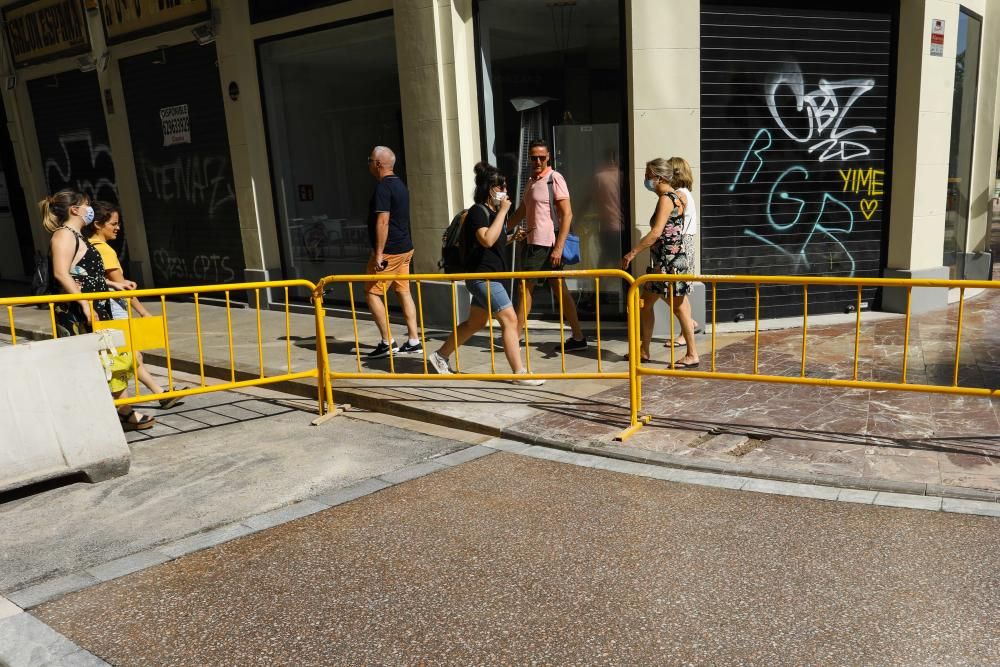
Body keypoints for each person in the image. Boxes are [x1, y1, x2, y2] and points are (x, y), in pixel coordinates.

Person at [41, 190, 155, 430]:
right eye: (86, 205)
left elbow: (84, 274)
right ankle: (122, 413)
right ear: (75, 210)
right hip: (79, 312)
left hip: (93, 308)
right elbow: (61, 273)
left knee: (113, 358)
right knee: (108, 358)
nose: (89, 209)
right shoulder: (63, 235)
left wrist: (114, 284)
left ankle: (119, 412)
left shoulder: (76, 235)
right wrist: (84, 304)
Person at [428, 163, 542, 386]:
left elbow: (492, 243)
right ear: (490, 189)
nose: (505, 191)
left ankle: (440, 356)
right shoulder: (478, 213)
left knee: (474, 323)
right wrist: (503, 213)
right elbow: (487, 239)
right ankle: (518, 373)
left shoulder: (491, 213)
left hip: (490, 276)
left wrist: (510, 237)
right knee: (510, 319)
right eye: (502, 186)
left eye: (506, 186)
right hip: (482, 277)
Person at [88, 201, 184, 409]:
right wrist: (143, 311)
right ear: (97, 224)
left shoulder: (89, 247)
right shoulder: (104, 251)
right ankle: (125, 408)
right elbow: (122, 288)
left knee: (131, 355)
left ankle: (160, 394)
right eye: (113, 223)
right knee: (126, 357)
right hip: (113, 312)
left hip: (104, 310)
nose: (118, 227)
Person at [507, 139, 587, 350]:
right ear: (529, 158)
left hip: (546, 244)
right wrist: (503, 227)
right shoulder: (532, 181)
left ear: (548, 157)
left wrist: (558, 248)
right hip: (534, 243)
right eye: (534, 157)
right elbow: (523, 210)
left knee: (526, 288)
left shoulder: (554, 178)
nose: (538, 161)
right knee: (558, 290)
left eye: (542, 157)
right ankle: (578, 337)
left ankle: (515, 336)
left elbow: (567, 214)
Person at [621, 159, 700, 368]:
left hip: (669, 262)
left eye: (648, 175)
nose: (646, 179)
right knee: (646, 305)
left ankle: (692, 354)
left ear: (659, 177)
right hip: (663, 262)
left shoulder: (666, 199)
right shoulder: (678, 196)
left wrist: (633, 252)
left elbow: (656, 232)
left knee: (679, 308)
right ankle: (644, 350)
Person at [364, 145, 421, 359]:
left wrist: (379, 253)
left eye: (370, 160)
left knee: (371, 293)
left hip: (390, 251)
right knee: (402, 290)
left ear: (378, 164)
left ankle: (387, 342)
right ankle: (413, 340)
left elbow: (383, 220)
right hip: (405, 248)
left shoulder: (383, 187)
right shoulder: (399, 185)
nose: (368, 164)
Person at [664, 156, 700, 348]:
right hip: (685, 243)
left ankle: (686, 330)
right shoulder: (684, 193)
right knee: (678, 291)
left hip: (681, 245)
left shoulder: (679, 195)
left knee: (679, 292)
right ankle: (689, 325)